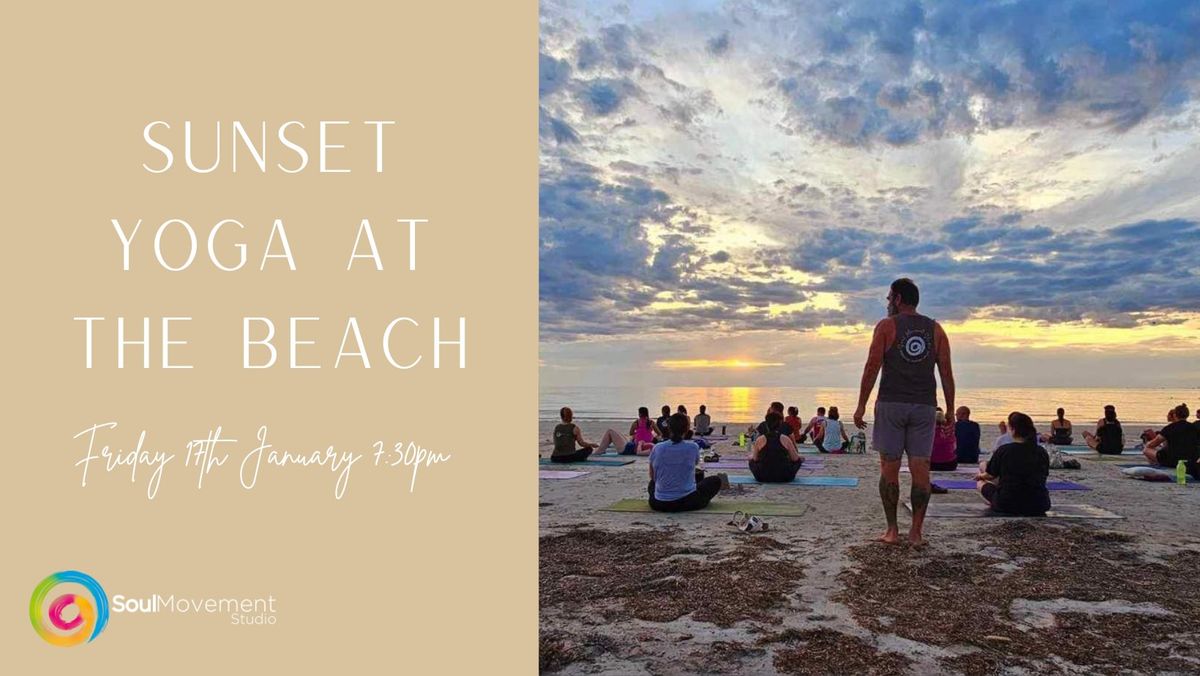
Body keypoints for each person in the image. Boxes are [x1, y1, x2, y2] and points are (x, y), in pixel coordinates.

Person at [853, 278, 955, 546]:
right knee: (921, 468)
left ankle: (892, 530)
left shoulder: (887, 326)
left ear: (898, 299)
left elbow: (871, 367)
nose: (888, 303)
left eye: (889, 298)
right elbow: (946, 373)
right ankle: (916, 533)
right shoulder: (936, 329)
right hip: (925, 406)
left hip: (891, 404)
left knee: (890, 468)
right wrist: (951, 410)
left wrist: (861, 404)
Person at [976, 412, 1050, 516]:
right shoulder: (1041, 452)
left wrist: (979, 476)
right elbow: (1044, 476)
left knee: (980, 483)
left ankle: (992, 501)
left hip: (1007, 503)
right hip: (1039, 504)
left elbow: (990, 475)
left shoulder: (1004, 450)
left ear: (1013, 429)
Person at [648, 414, 725, 512]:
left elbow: (653, 476)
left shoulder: (657, 448)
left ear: (669, 428)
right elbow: (695, 463)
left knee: (652, 484)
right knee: (715, 480)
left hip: (659, 504)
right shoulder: (693, 447)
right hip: (686, 502)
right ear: (687, 429)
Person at [1143, 403, 1199, 474]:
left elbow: (1152, 444)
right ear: (1187, 415)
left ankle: (1156, 466)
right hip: (1191, 460)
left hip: (1172, 460)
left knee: (1146, 449)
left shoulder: (1169, 428)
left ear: (1175, 415)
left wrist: (1147, 443)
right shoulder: (1194, 427)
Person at [749, 411, 805, 482]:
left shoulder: (760, 439)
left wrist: (750, 457)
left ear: (767, 424)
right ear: (780, 424)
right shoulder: (785, 439)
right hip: (784, 477)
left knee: (751, 461)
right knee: (798, 461)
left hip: (763, 477)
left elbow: (755, 459)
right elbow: (795, 459)